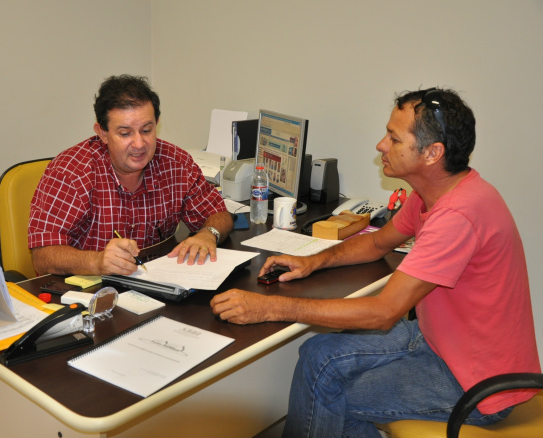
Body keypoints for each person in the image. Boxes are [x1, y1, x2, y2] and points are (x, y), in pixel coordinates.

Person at [210, 88, 540, 437]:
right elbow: (377, 243)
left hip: (476, 383)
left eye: (394, 138)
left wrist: (270, 307)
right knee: (317, 354)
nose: (381, 145)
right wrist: (311, 262)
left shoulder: (458, 215)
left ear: (432, 153)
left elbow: (383, 313)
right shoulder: (435, 192)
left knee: (325, 390)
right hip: (440, 341)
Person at [29, 75, 233, 276]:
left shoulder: (175, 162)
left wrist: (209, 234)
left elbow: (218, 213)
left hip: (157, 287)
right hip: (89, 293)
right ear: (102, 133)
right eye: (125, 134)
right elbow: (42, 256)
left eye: (146, 130)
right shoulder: (70, 173)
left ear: (157, 124)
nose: (139, 144)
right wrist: (97, 262)